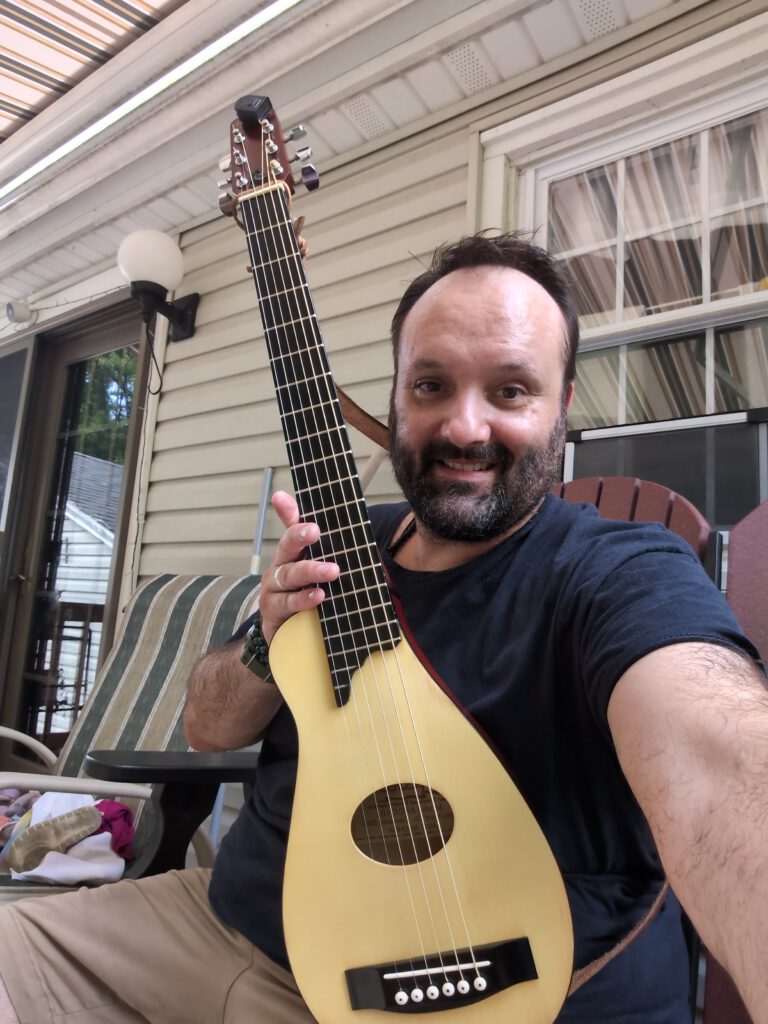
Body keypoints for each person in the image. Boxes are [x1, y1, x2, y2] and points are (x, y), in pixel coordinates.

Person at [0, 233, 766, 1024]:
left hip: (449, 992)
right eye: (432, 385)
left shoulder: (613, 570)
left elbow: (720, 759)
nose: (465, 427)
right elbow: (206, 727)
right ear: (396, 400)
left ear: (562, 405)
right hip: (210, 928)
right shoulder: (340, 544)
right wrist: (272, 635)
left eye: (510, 391)